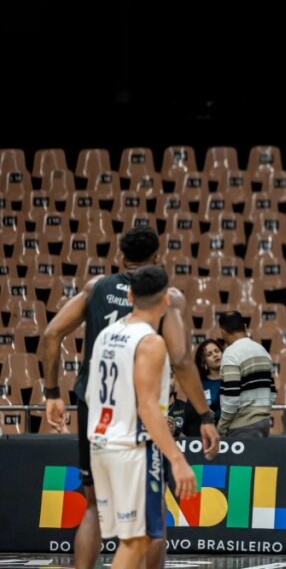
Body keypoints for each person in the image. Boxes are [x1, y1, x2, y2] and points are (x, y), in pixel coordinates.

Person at [40, 225, 218, 569]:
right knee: (147, 528)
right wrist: (202, 420)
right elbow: (178, 366)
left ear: (122, 259)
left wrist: (51, 394)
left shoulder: (100, 303)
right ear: (157, 261)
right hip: (135, 427)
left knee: (93, 507)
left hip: (96, 417)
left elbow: (50, 334)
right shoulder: (154, 327)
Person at [85, 265, 197, 569]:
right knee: (138, 541)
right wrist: (177, 459)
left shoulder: (108, 333)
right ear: (165, 302)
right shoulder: (151, 342)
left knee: (133, 541)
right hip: (132, 448)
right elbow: (147, 407)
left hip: (101, 443)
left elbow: (90, 392)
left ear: (130, 295)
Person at [216, 311, 276, 437]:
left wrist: (221, 427)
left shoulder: (231, 353)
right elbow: (273, 393)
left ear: (222, 331)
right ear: (244, 326)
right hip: (264, 423)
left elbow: (231, 399)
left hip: (242, 427)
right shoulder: (262, 351)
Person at [180, 340, 223, 436]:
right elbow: (190, 415)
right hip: (204, 433)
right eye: (209, 354)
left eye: (217, 351)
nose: (215, 355)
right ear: (204, 362)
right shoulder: (199, 385)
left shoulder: (233, 379)